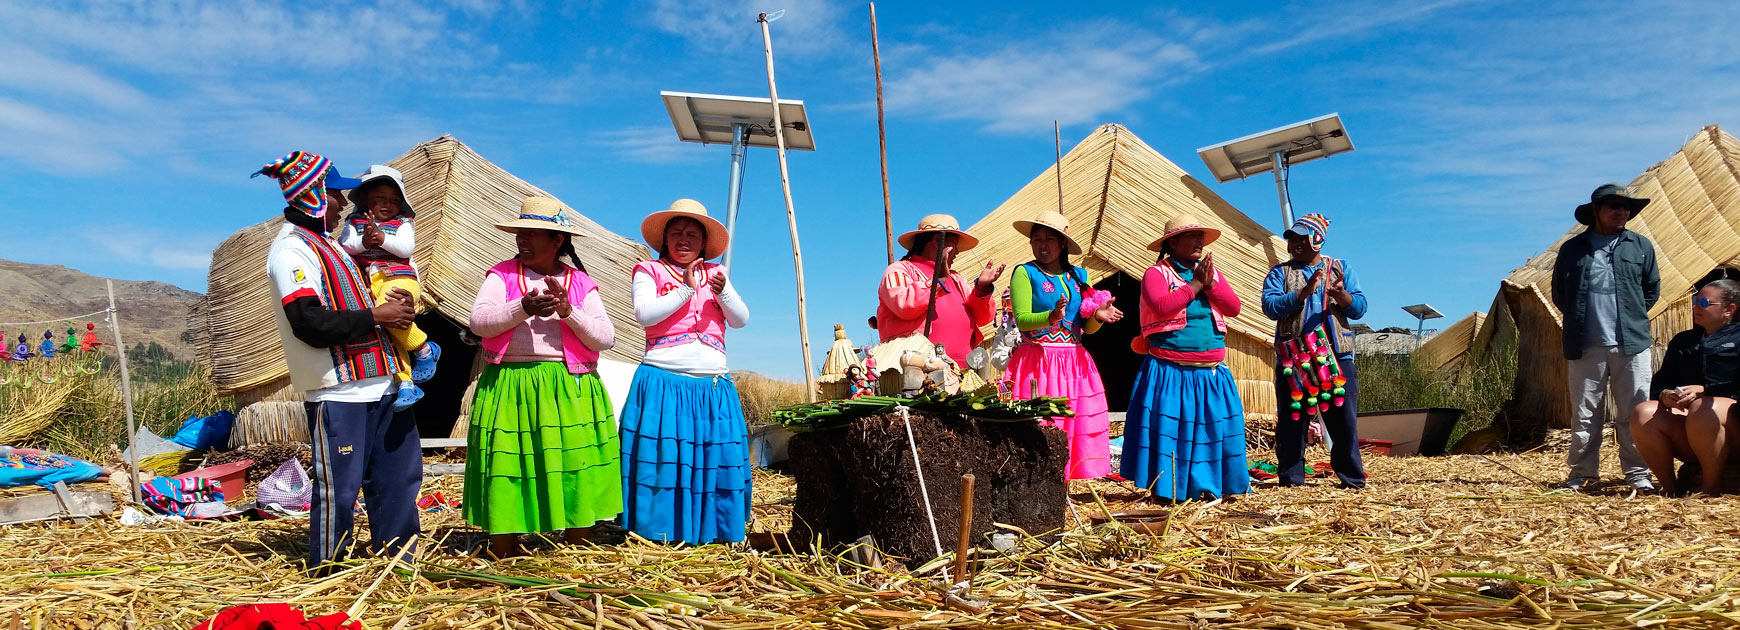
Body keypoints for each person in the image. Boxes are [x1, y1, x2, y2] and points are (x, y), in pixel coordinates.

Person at [257, 151, 420, 572]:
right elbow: (308, 321)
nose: (345, 204)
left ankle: (397, 561)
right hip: (339, 390)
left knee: (397, 480)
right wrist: (376, 316)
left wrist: (396, 305)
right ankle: (329, 571)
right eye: (335, 195)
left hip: (385, 383)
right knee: (339, 490)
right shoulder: (292, 250)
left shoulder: (334, 244)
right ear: (312, 195)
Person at [465, 197, 621, 559]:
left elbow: (604, 338)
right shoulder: (501, 275)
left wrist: (569, 311)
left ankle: (575, 548)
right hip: (511, 384)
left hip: (568, 386)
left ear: (558, 242)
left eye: (535, 234)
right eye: (522, 232)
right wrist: (523, 307)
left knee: (573, 465)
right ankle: (504, 549)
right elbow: (480, 322)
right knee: (509, 465)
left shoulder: (581, 283)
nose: (524, 240)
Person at [619, 199, 752, 544]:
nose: (683, 239)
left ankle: (713, 532)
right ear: (664, 239)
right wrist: (686, 289)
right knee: (664, 463)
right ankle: (660, 533)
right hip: (663, 383)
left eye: (691, 234)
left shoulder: (718, 275)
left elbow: (740, 320)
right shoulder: (648, 271)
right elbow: (645, 314)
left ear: (704, 243)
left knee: (714, 460)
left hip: (712, 387)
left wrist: (723, 295)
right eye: (675, 232)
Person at [1121, 216, 1247, 501]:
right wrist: (1197, 285)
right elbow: (1163, 306)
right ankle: (1169, 490)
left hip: (1210, 373)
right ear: (1172, 243)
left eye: (1201, 236)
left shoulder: (1209, 273)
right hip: (1170, 371)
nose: (1199, 241)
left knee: (1211, 432)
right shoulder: (1157, 274)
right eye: (1191, 236)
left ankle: (1212, 486)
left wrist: (1209, 282)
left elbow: (1234, 308)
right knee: (1171, 431)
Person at [1550, 183, 1660, 491]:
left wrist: (1632, 316)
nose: (1621, 212)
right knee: (1585, 414)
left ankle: (1638, 474)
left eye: (1625, 207)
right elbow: (1560, 292)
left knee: (1635, 411)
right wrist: (1579, 319)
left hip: (1632, 342)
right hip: (1585, 344)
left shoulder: (1640, 246)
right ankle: (1583, 475)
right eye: (1613, 206)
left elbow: (1651, 290)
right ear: (1596, 211)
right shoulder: (1573, 249)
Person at [1002, 211, 1123, 479]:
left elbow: (1086, 328)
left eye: (1049, 239)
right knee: (1044, 424)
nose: (1042, 245)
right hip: (1039, 361)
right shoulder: (1026, 273)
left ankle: (1069, 486)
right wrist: (1051, 317)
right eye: (1036, 240)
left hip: (1075, 362)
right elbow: (1022, 320)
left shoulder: (1080, 277)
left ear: (1062, 244)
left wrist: (1098, 317)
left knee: (1075, 424)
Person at [1261, 213, 1368, 489]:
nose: (1294, 244)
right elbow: (1270, 306)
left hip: (1336, 357)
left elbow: (1359, 308)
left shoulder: (1340, 268)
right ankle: (1291, 479)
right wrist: (1304, 292)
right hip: (1294, 357)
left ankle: (1351, 479)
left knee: (1343, 423)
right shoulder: (1279, 273)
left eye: (1301, 238)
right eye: (1291, 239)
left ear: (1316, 239)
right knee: (1292, 422)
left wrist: (1341, 295)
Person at [339, 165, 440, 410]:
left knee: (388, 312)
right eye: (379, 199)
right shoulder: (355, 222)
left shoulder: (402, 223)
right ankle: (405, 382)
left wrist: (382, 238)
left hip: (400, 279)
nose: (388, 205)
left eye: (395, 200)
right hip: (372, 283)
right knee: (386, 331)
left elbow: (406, 248)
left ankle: (424, 347)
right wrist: (364, 241)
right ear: (364, 200)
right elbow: (345, 246)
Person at [1630, 273, 1740, 496]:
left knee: (1703, 408)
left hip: (1733, 426)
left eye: (1704, 303)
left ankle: (1709, 489)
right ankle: (1671, 491)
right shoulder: (1683, 341)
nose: (1695, 307)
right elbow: (1662, 380)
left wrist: (1707, 390)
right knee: (1643, 413)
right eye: (1695, 301)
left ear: (1729, 310)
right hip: (1695, 429)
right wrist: (1665, 394)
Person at [876, 214, 1005, 365]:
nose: (957, 251)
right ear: (938, 241)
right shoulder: (899, 270)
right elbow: (904, 305)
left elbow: (984, 319)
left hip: (964, 368)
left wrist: (982, 289)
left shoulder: (957, 278)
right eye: (954, 244)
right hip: (922, 369)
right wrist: (938, 280)